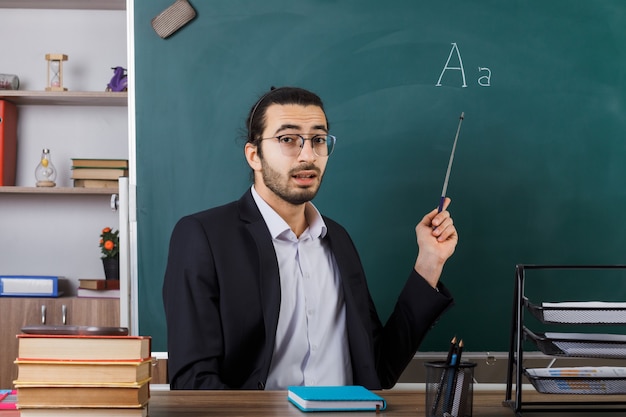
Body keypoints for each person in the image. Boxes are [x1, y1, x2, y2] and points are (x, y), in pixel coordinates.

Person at [162, 86, 458, 390]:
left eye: (318, 140)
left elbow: (377, 368)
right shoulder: (204, 237)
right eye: (288, 140)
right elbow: (193, 381)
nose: (308, 155)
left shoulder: (337, 239)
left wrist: (429, 263)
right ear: (254, 155)